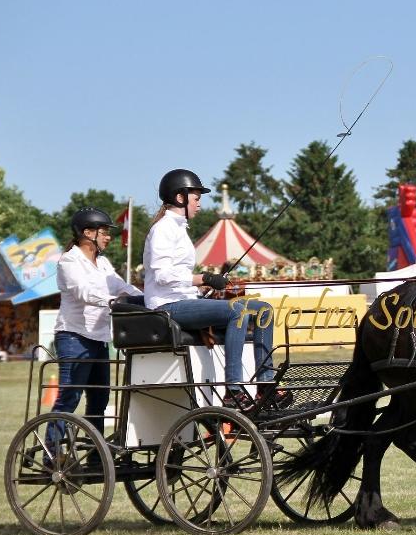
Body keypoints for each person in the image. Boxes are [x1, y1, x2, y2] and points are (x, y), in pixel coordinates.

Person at [143, 168, 291, 412]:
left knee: (263, 310)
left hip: (186, 301)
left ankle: (265, 384)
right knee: (237, 311)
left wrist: (202, 290)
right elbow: (162, 275)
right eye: (196, 198)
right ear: (180, 197)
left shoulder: (179, 228)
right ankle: (233, 391)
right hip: (166, 306)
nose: (199, 203)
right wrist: (205, 278)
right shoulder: (163, 229)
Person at [48, 207, 143, 460]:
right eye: (103, 232)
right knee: (70, 396)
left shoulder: (102, 263)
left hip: (99, 338)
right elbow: (82, 292)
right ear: (87, 233)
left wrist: (145, 299)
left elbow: (121, 286)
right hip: (73, 336)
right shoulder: (69, 261)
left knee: (99, 399)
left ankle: (95, 454)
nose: (108, 237)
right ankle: (52, 453)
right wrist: (112, 302)